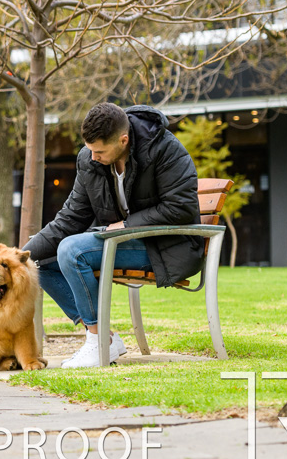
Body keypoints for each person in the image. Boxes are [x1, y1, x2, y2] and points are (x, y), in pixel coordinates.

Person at [25, 103, 199, 368]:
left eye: (99, 151)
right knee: (38, 263)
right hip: (122, 240)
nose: (93, 157)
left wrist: (127, 225)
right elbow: (71, 217)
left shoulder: (164, 148)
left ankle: (97, 343)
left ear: (123, 140)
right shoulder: (89, 159)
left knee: (72, 251)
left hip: (166, 245)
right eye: (90, 150)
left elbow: (181, 207)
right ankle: (104, 338)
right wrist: (19, 255)